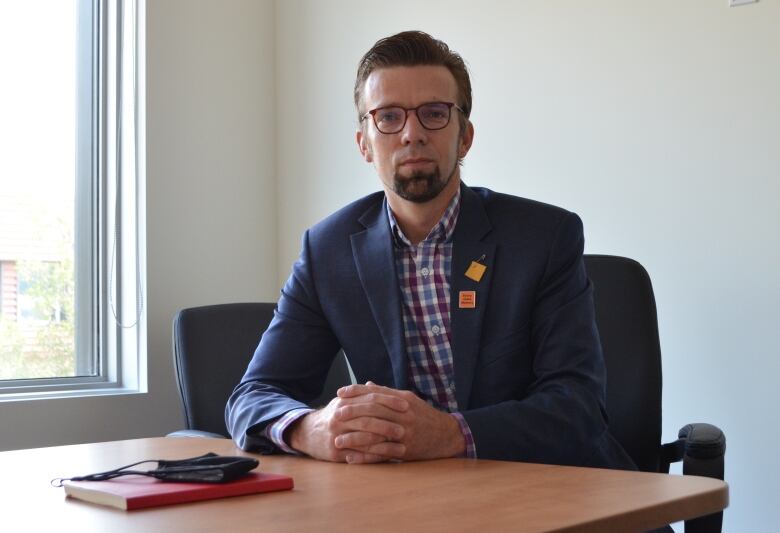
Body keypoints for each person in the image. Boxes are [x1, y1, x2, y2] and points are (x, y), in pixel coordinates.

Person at [225, 30, 635, 469]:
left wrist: (451, 433)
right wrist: (311, 428)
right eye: (388, 117)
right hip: (417, 498)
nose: (411, 134)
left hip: (553, 487)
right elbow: (252, 396)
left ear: (465, 137)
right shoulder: (329, 252)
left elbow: (578, 409)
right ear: (364, 143)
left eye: (435, 114)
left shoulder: (545, 237)